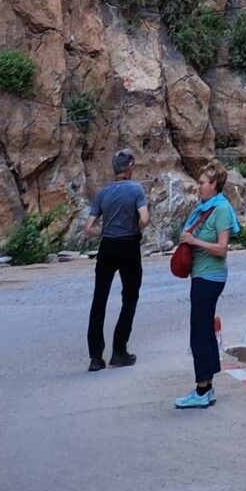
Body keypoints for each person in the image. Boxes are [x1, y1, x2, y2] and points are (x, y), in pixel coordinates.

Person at [173, 164, 238, 409]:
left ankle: (201, 390)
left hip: (210, 276)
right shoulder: (205, 208)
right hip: (202, 274)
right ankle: (207, 387)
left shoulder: (221, 209)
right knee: (204, 329)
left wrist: (194, 241)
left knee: (199, 332)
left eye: (203, 182)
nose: (198, 186)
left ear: (215, 185)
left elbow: (222, 248)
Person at [85, 146, 149, 370]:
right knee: (130, 296)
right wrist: (135, 227)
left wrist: (105, 231)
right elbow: (144, 219)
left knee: (99, 299)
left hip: (107, 246)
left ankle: (95, 357)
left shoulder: (103, 193)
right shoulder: (136, 189)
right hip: (129, 245)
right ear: (130, 166)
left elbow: (88, 228)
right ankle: (119, 350)